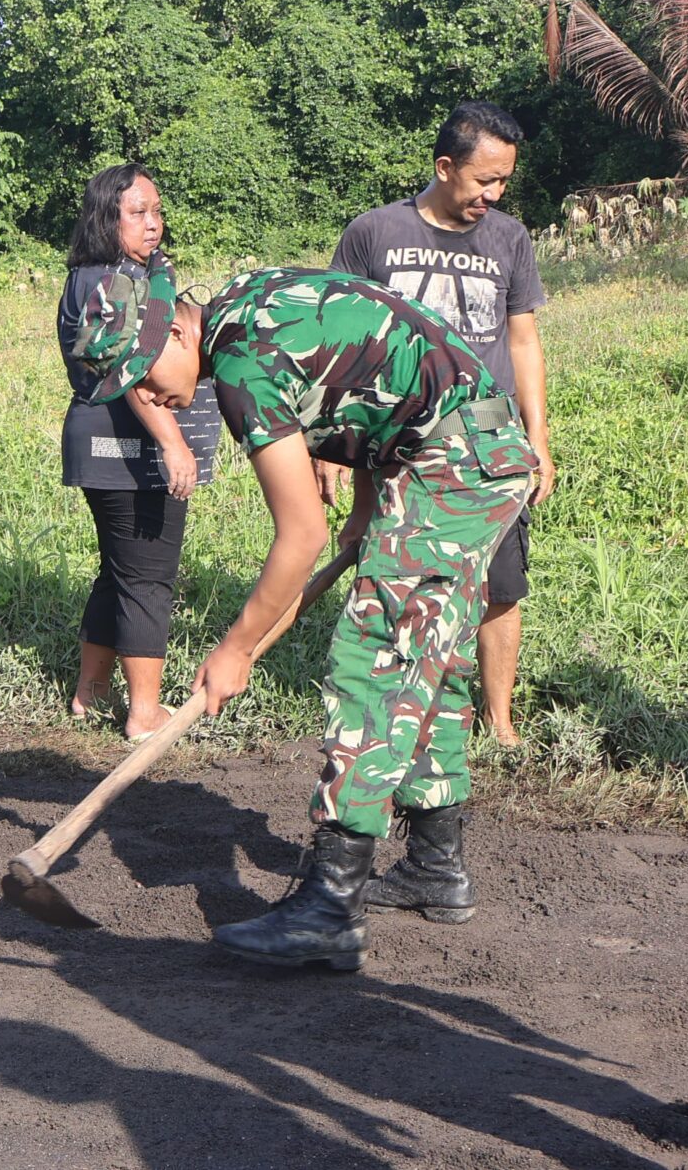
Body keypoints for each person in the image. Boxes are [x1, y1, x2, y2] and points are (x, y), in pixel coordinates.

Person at [175, 268, 537, 970]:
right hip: (475, 446)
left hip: (450, 462)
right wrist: (367, 514)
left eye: (140, 376)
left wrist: (236, 649)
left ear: (177, 331)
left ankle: (330, 910)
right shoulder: (251, 299)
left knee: (375, 659)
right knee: (426, 658)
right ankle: (436, 865)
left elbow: (300, 534)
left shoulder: (240, 360)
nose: (149, 397)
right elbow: (373, 379)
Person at [328, 100, 554, 745]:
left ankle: (499, 720)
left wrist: (538, 439)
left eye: (504, 180)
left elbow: (522, 341)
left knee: (500, 582)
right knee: (395, 574)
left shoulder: (509, 238)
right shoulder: (374, 233)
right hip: (396, 437)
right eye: (484, 179)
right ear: (445, 166)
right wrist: (333, 445)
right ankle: (399, 707)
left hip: (487, 437)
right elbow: (342, 342)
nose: (494, 194)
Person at [56, 164, 225, 742]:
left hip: (105, 444)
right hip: (127, 448)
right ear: (107, 219)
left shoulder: (104, 276)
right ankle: (145, 711)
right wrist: (174, 444)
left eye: (156, 211)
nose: (153, 224)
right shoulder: (114, 282)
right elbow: (130, 368)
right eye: (137, 213)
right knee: (148, 577)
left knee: (120, 571)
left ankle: (92, 692)